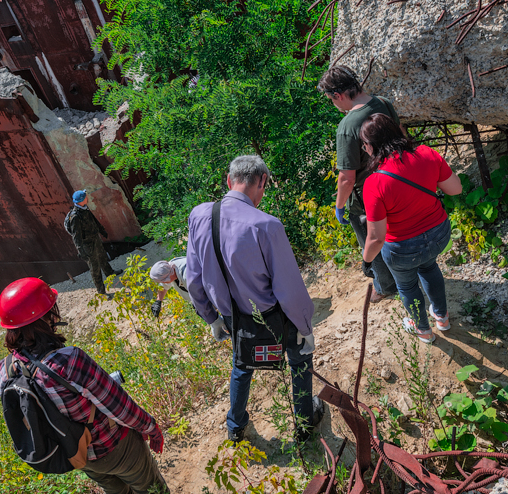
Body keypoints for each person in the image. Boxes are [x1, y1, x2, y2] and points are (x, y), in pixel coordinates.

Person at [0, 277, 202, 494]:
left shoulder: (6, 370)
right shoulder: (68, 360)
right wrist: (151, 427)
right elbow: (118, 406)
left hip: (77, 451)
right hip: (115, 443)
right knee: (151, 489)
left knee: (116, 492)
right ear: (46, 317)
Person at [186, 155, 324, 443]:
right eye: (265, 186)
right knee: (299, 359)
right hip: (273, 316)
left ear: (229, 181)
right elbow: (288, 288)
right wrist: (305, 326)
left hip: (233, 317)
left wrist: (210, 318)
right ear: (262, 181)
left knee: (242, 363)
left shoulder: (199, 216)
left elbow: (193, 278)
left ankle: (235, 427)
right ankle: (304, 424)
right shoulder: (266, 225)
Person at [358, 112, 463, 344]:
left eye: (364, 144)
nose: (364, 149)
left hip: (402, 248)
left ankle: (423, 330)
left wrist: (366, 261)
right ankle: (442, 318)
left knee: (406, 285)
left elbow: (376, 238)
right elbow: (455, 189)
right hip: (438, 234)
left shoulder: (374, 183)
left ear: (372, 146)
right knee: (429, 267)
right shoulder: (427, 153)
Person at [318, 65, 402, 303]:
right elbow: (400, 135)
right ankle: (407, 270)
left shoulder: (347, 126)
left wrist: (340, 204)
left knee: (370, 237)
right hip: (394, 179)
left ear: (338, 95)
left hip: (368, 194)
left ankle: (385, 286)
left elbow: (347, 177)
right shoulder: (382, 103)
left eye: (331, 100)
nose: (334, 105)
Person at [64, 189, 122, 297]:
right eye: (85, 196)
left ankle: (110, 273)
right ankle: (101, 292)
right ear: (81, 200)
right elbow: (76, 236)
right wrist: (80, 250)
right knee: (95, 268)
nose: (87, 197)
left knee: (103, 257)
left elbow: (94, 220)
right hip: (87, 245)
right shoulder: (75, 216)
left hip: (95, 239)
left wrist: (101, 230)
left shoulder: (85, 208)